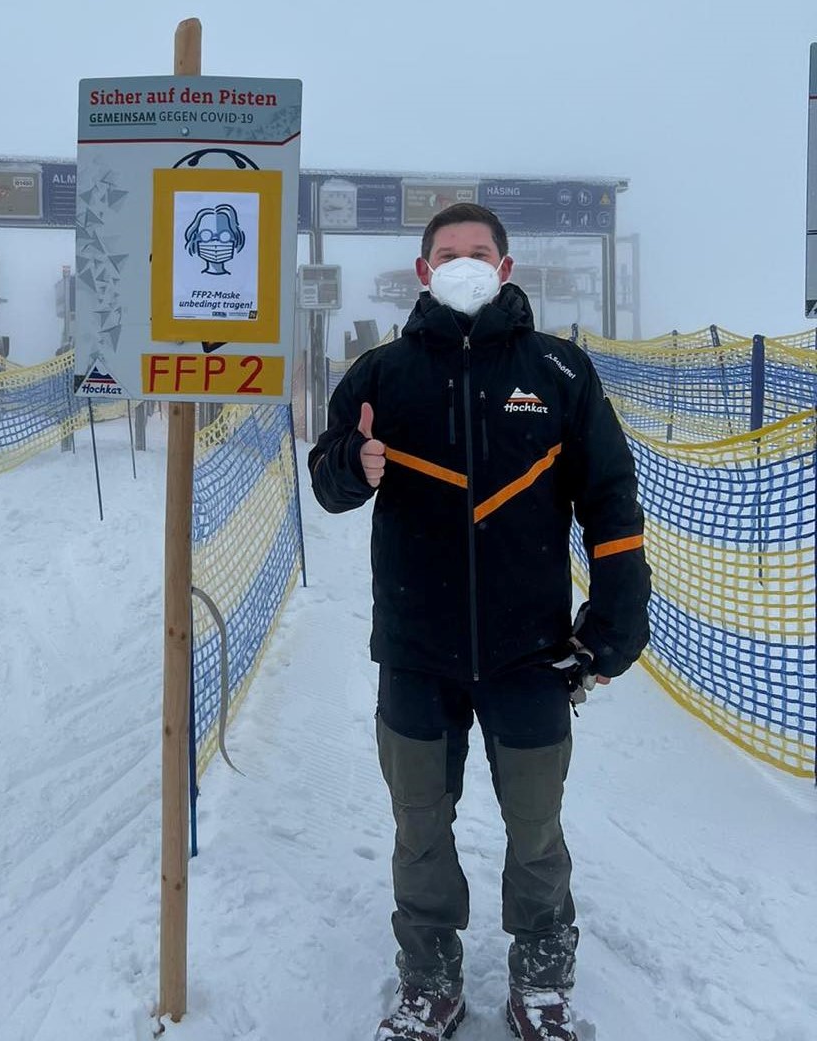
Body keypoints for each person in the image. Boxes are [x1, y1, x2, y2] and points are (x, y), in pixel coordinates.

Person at [307, 204, 650, 1041]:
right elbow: (325, 476)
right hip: (416, 651)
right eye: (448, 254)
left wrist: (616, 617)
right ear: (424, 271)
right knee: (419, 824)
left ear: (505, 265)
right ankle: (429, 977)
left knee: (536, 828)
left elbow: (610, 497)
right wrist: (354, 464)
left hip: (530, 652)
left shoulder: (562, 372)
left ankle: (542, 976)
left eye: (479, 252)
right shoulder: (380, 374)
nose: (465, 264)